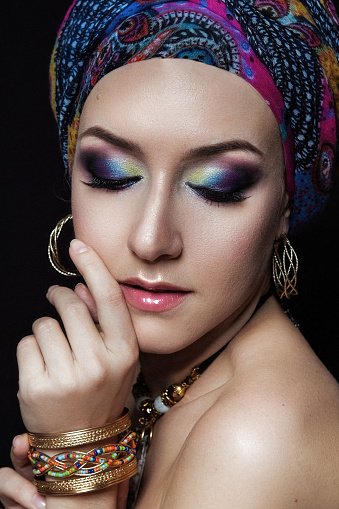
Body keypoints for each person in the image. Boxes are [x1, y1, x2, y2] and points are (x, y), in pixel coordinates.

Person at [1, 0, 339, 508]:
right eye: (113, 173)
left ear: (285, 204)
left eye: (217, 186)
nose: (152, 240)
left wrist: (78, 480)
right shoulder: (155, 385)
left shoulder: (255, 441)